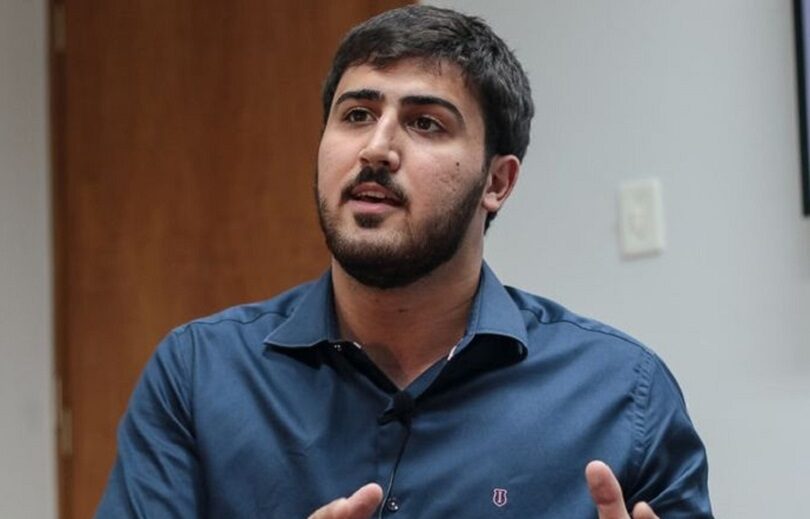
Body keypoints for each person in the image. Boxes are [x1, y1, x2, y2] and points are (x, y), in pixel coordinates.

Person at [96, 5, 713, 518]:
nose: (376, 148)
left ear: (496, 182)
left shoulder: (621, 395)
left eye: (425, 123)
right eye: (356, 115)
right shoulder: (198, 376)